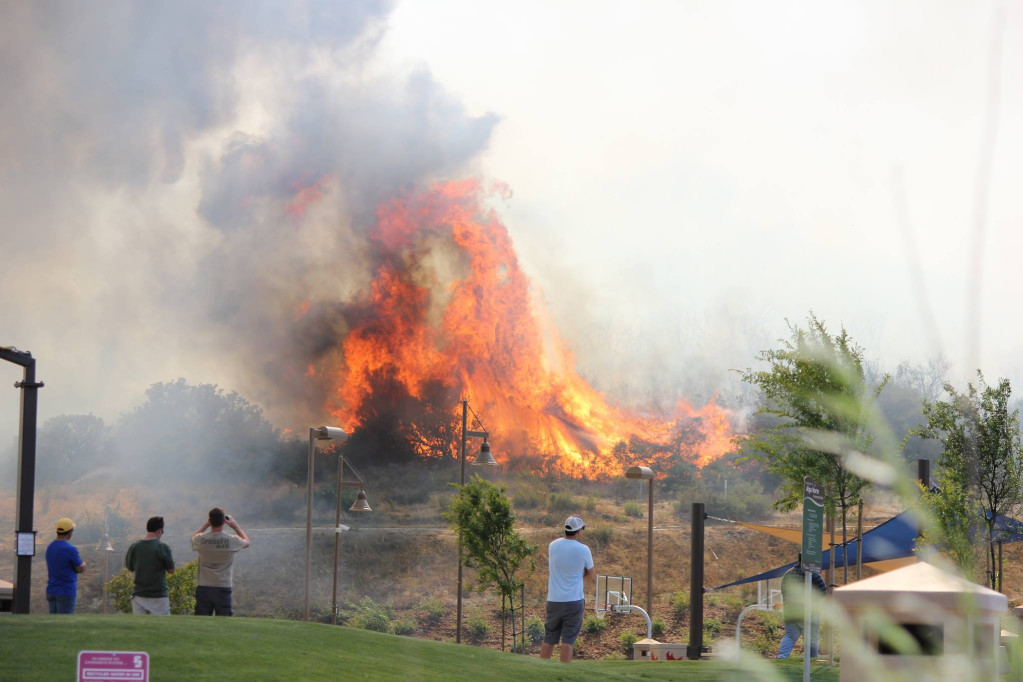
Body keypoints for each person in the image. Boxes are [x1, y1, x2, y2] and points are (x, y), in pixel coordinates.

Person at [540, 515, 594, 663]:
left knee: (549, 639)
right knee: (568, 641)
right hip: (573, 601)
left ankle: (540, 671)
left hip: (554, 600)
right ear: (579, 531)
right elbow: (590, 573)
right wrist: (577, 576)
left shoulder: (553, 545)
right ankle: (564, 672)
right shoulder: (584, 549)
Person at [191, 507, 250, 616]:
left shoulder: (201, 539)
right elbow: (247, 543)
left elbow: (193, 538)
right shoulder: (232, 540)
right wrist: (235, 526)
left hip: (204, 586)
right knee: (224, 623)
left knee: (201, 622)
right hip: (223, 585)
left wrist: (206, 524)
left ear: (210, 520)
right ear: (224, 521)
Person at [777, 555, 827, 660]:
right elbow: (823, 591)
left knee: (790, 636)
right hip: (809, 612)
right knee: (812, 639)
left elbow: (784, 591)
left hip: (790, 612)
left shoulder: (788, 573)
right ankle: (812, 661)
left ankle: (781, 658)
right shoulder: (813, 574)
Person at [125, 516, 175, 615]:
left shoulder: (134, 547)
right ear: (160, 530)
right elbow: (171, 570)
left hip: (139, 595)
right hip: (158, 596)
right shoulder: (162, 547)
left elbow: (130, 568)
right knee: (161, 628)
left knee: (140, 628)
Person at [45, 517, 86, 614]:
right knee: (64, 623)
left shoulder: (50, 547)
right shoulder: (70, 549)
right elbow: (80, 568)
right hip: (66, 591)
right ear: (70, 531)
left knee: (53, 623)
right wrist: (84, 564)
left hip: (51, 590)